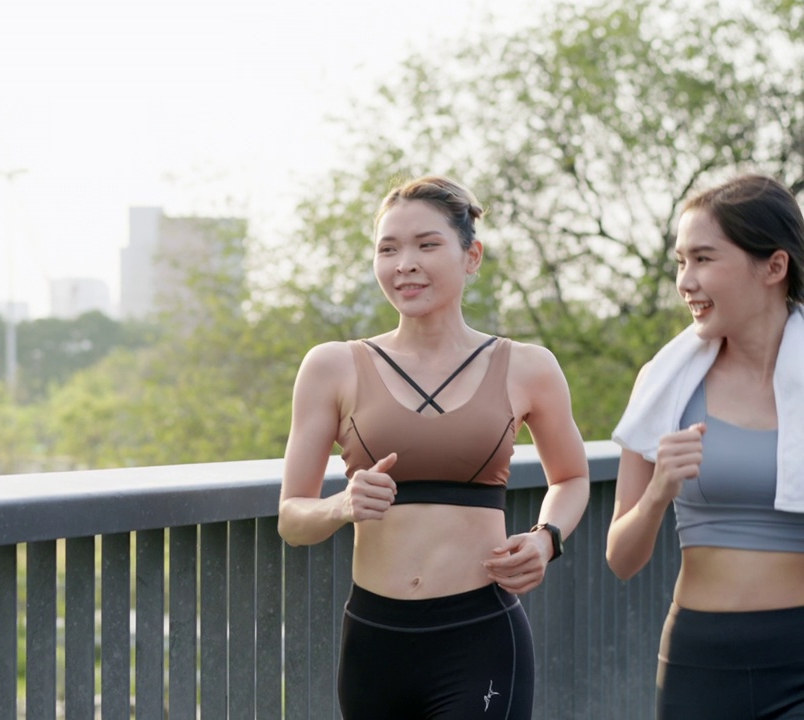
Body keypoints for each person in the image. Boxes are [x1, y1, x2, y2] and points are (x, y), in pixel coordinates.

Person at [278, 175, 590, 720]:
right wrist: (340, 506)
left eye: (427, 244)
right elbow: (291, 517)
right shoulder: (331, 367)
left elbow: (571, 477)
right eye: (388, 249)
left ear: (472, 256)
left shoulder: (528, 367)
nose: (405, 264)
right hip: (375, 641)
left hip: (481, 635)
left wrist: (546, 540)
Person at [607, 173, 804, 719]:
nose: (685, 281)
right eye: (680, 262)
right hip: (699, 662)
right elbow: (621, 559)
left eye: (704, 259)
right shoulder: (664, 385)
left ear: (774, 266)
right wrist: (657, 495)